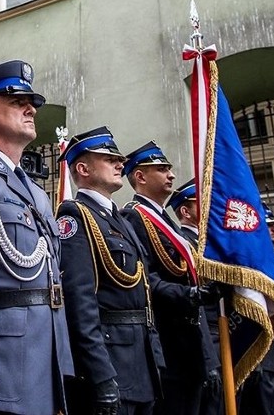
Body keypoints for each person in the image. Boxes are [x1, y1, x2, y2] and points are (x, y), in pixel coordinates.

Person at [0, 60, 73, 415]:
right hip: (2, 364)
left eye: (31, 102)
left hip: (46, 359)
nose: (31, 109)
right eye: (17, 102)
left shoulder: (37, 192)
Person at [56, 127, 164, 415]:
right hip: (112, 361)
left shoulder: (121, 220)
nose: (120, 164)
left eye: (119, 159)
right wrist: (101, 374)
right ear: (83, 168)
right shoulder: (76, 217)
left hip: (140, 363)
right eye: (109, 158)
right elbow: (80, 304)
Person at [120, 142, 220, 415]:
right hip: (169, 338)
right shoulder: (134, 216)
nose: (171, 175)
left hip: (191, 339)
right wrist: (188, 295)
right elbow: (145, 277)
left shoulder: (166, 221)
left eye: (169, 169)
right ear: (140, 177)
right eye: (162, 169)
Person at [168, 179, 223, 415]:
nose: (209, 207)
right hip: (206, 337)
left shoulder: (211, 244)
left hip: (223, 335)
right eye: (200, 203)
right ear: (184, 211)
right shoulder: (185, 243)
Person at [238, 203, 274, 415]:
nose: (273, 229)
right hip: (247, 336)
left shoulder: (270, 258)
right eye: (269, 225)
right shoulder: (250, 256)